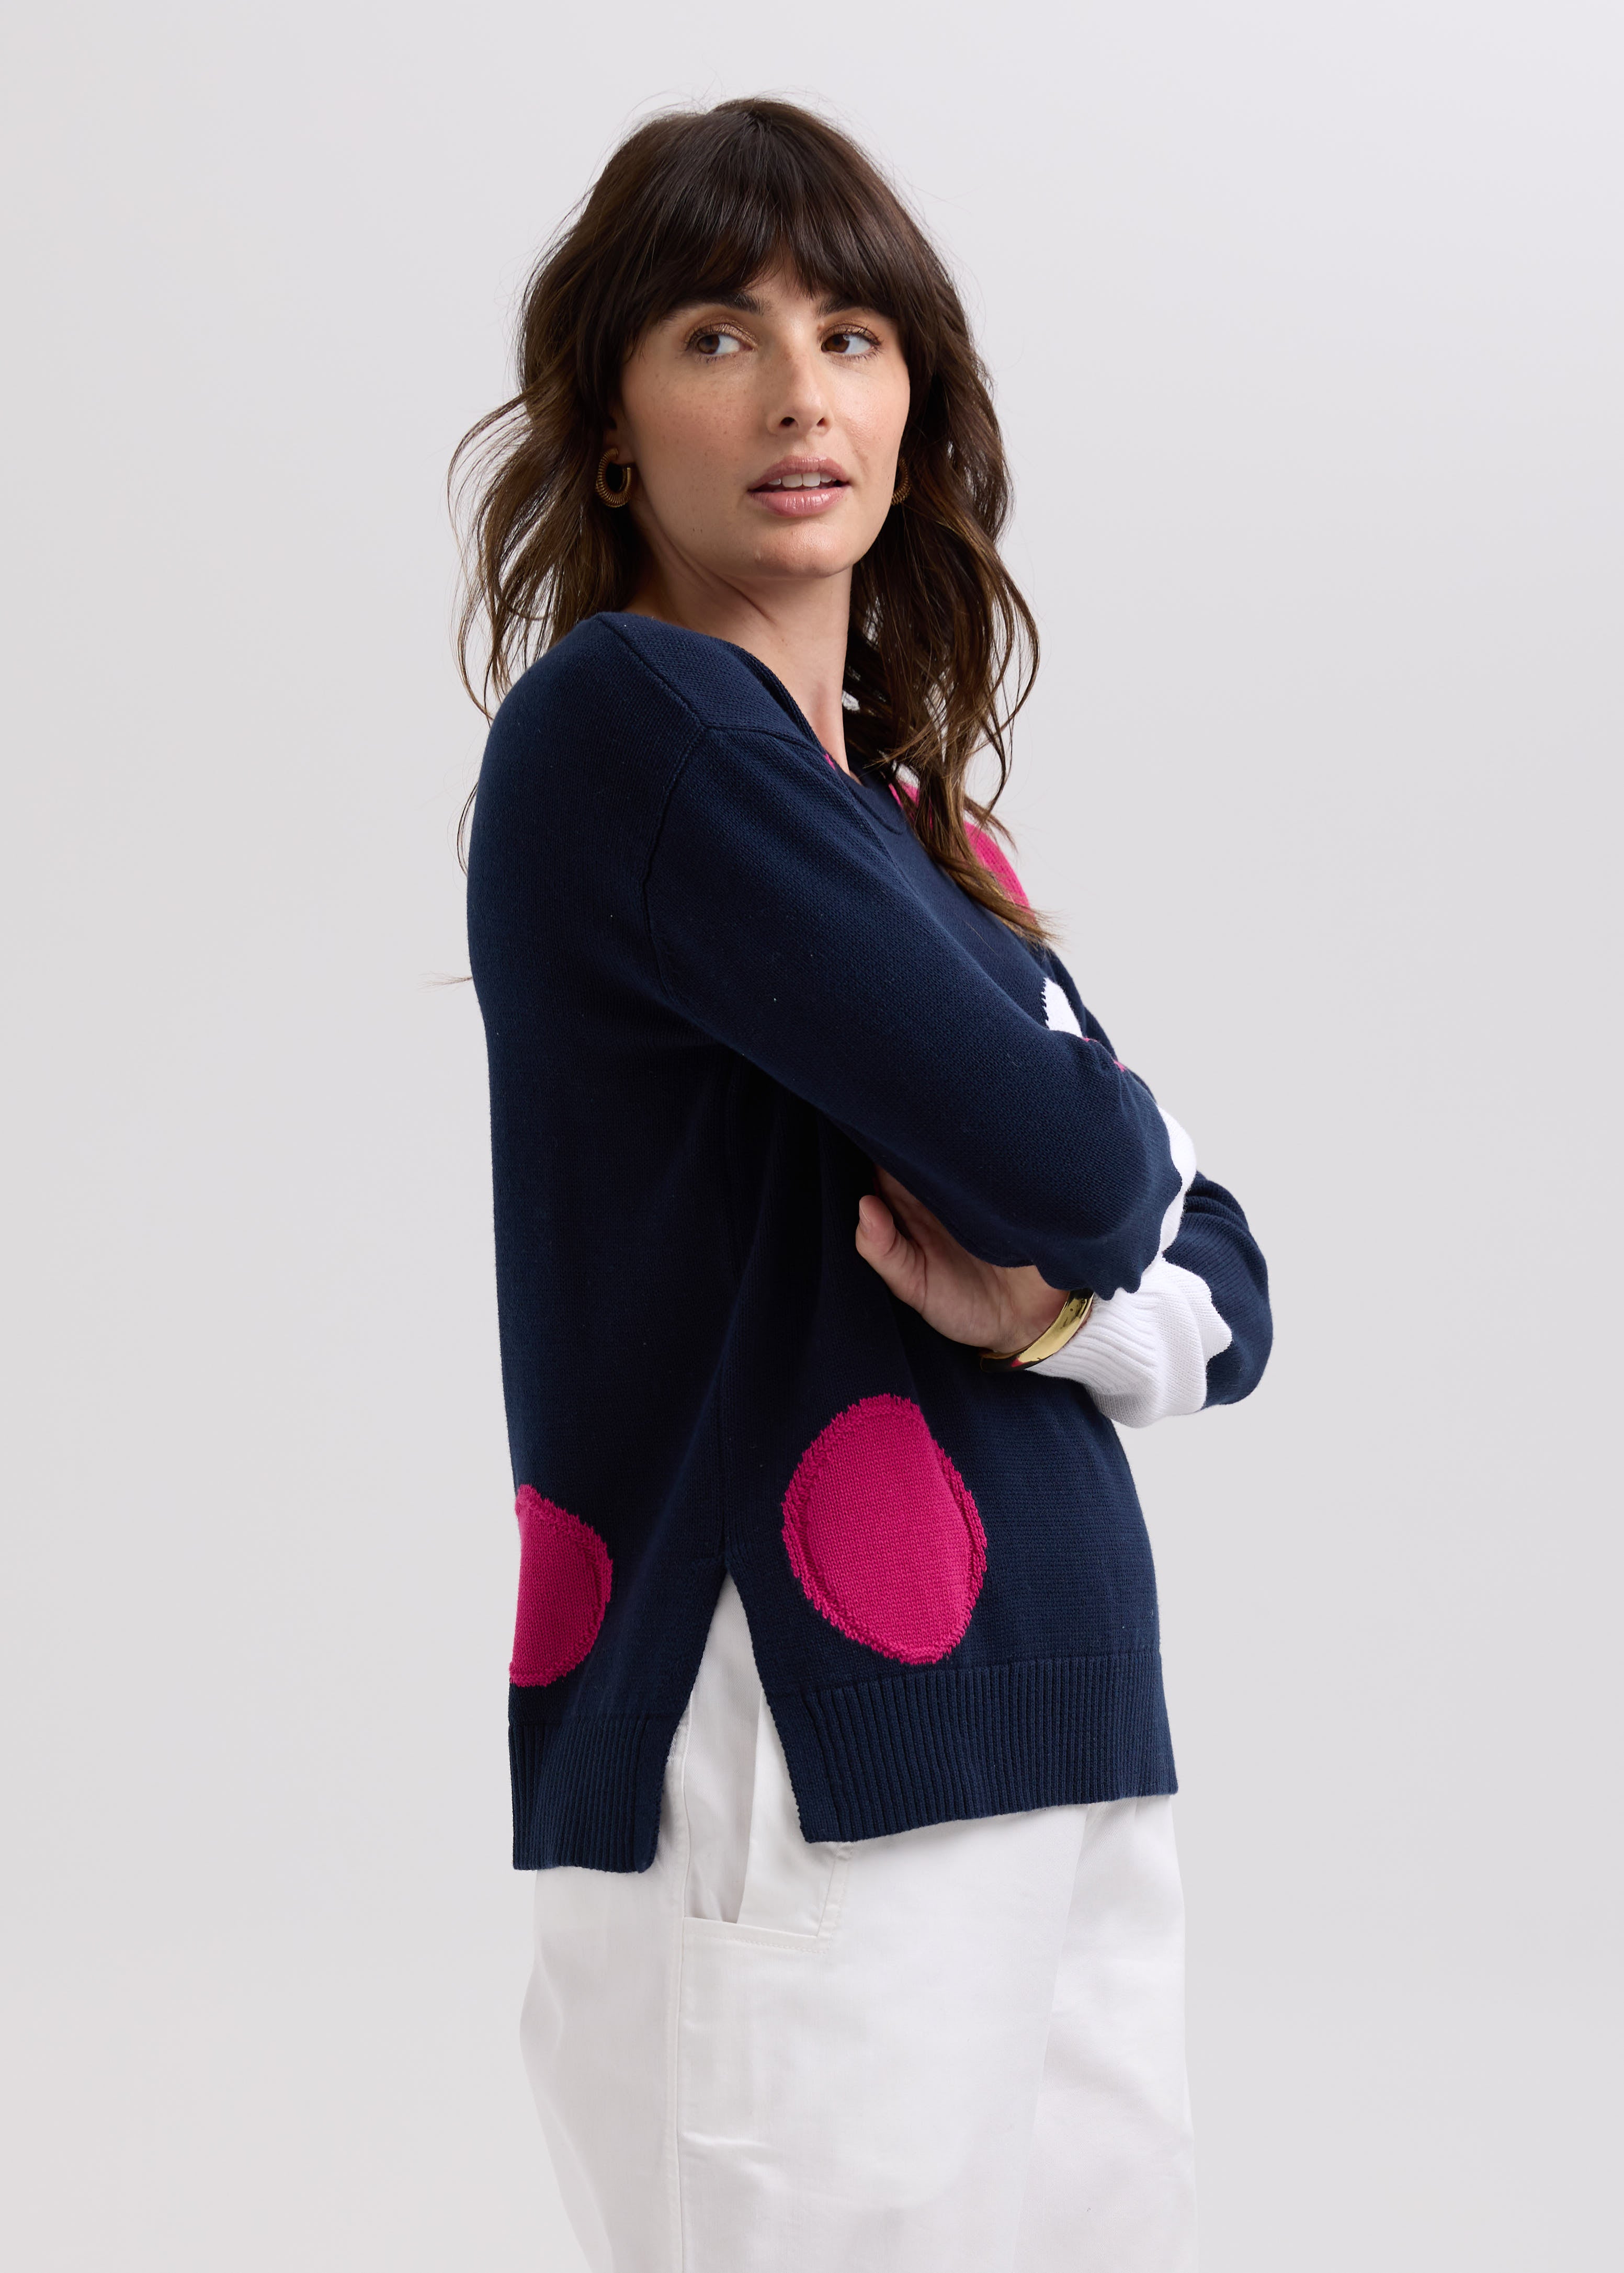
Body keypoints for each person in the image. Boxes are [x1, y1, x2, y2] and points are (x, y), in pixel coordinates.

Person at [457, 96, 1270, 2273]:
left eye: (853, 335)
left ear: (917, 405)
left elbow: (1222, 1280)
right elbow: (1087, 1159)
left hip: (1059, 1713)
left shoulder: (909, 826)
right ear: (609, 431)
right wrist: (1084, 1183)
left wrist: (1052, 1307)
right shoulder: (635, 728)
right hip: (797, 1734)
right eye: (718, 335)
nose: (801, 394)